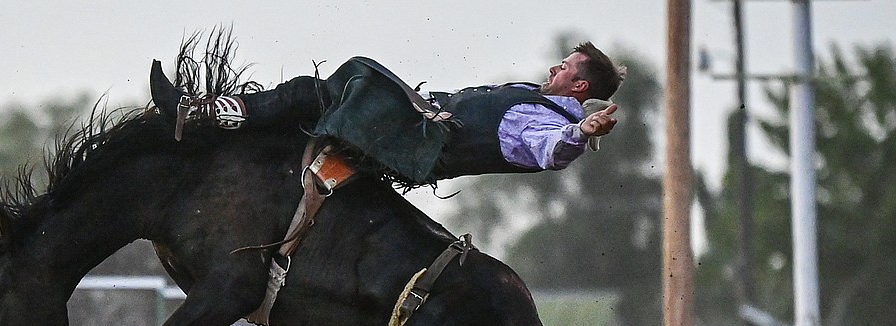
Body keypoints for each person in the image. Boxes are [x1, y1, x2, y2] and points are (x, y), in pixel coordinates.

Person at [149, 43, 624, 184]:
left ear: (579, 86)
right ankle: (213, 120)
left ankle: (201, 117)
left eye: (565, 66)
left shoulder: (551, 121)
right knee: (322, 92)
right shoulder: (530, 97)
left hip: (423, 146)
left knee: (336, 86)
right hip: (421, 132)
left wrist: (582, 130)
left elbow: (552, 150)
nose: (554, 66)